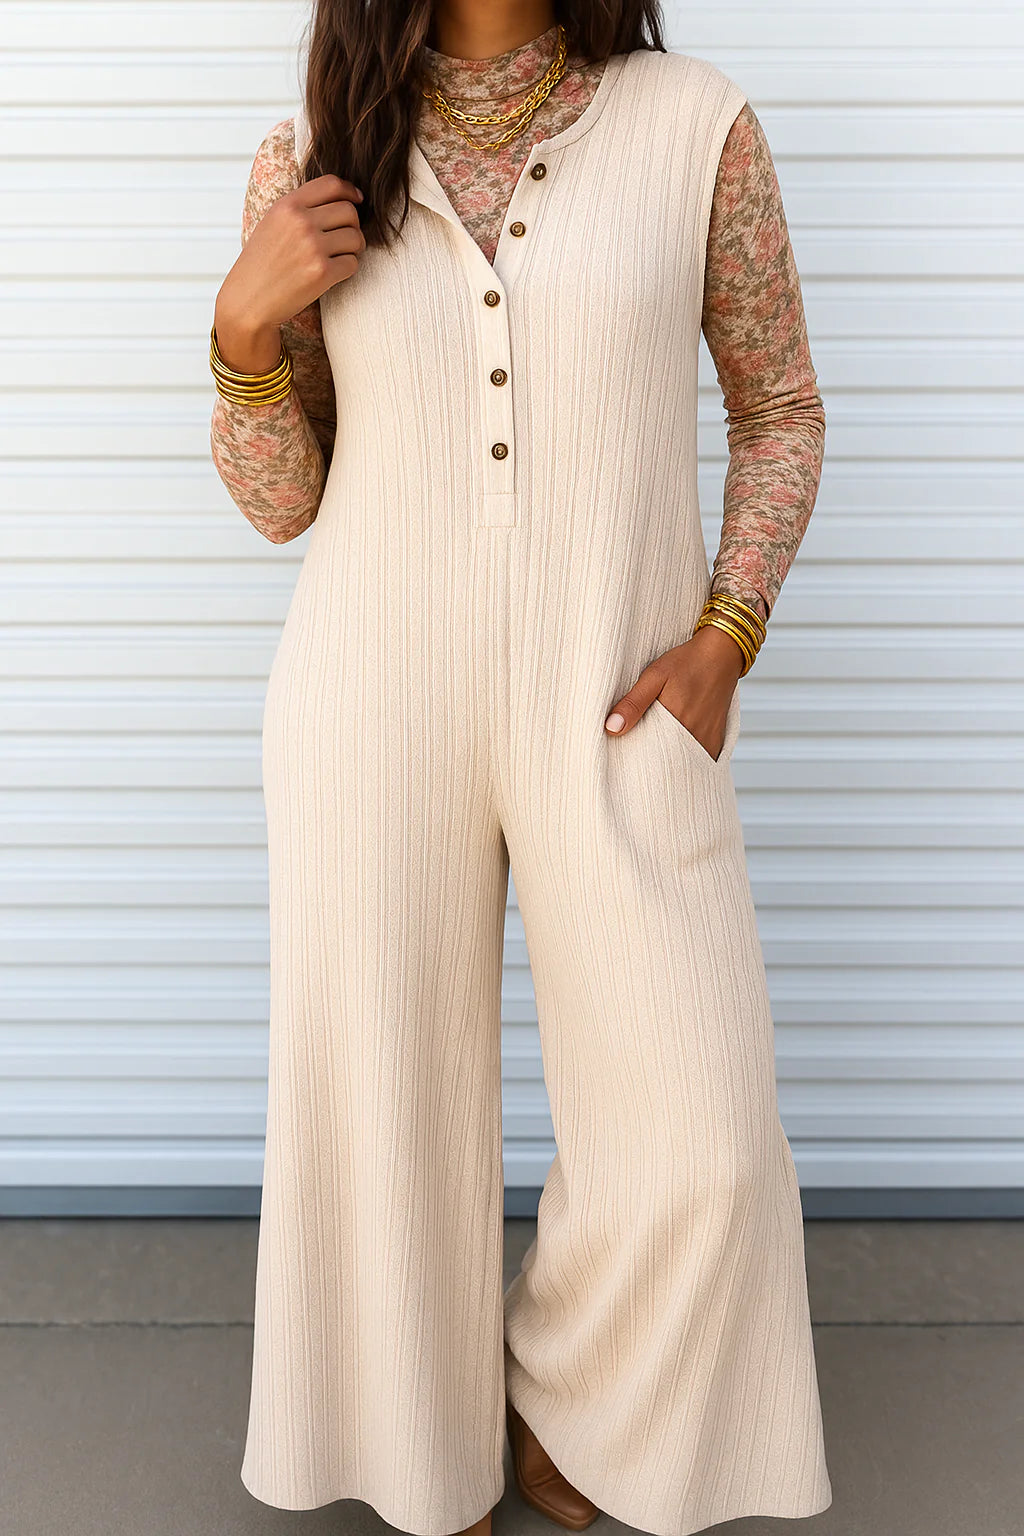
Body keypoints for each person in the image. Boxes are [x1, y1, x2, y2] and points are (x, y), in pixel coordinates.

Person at [209, 5, 832, 1534]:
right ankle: (417, 1451)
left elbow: (779, 409)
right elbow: (284, 503)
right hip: (370, 694)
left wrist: (728, 634)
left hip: (617, 698)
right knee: (382, 1102)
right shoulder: (316, 157)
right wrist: (242, 333)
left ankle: (575, 1397)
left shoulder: (695, 126)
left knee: (700, 1129)